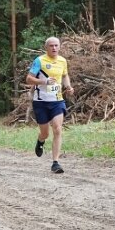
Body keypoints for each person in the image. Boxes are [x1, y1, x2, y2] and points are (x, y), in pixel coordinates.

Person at [26, 36, 74, 173]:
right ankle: (40, 140)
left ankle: (55, 163)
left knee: (58, 129)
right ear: (46, 47)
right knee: (45, 133)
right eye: (51, 46)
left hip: (57, 100)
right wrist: (44, 82)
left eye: (56, 45)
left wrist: (68, 87)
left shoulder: (62, 61)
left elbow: (65, 75)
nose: (54, 48)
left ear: (59, 47)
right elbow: (29, 79)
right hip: (41, 102)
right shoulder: (39, 61)